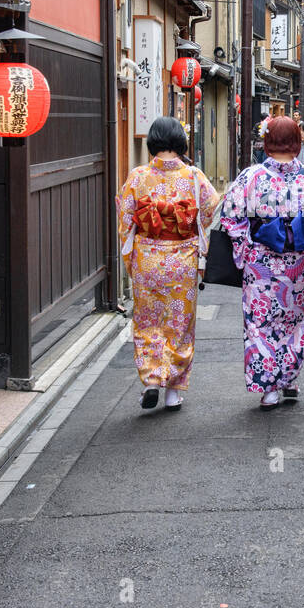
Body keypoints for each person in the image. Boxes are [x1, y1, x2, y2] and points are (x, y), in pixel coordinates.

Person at [219, 116, 304, 410]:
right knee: (295, 322)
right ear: (298, 144)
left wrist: (246, 249)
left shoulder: (250, 177)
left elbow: (230, 217)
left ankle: (269, 390)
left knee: (260, 324)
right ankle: (288, 377)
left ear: (267, 142)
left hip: (261, 267)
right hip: (299, 266)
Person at [116, 116, 220, 411]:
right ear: (180, 142)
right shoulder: (193, 176)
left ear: (153, 142)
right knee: (179, 323)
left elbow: (126, 222)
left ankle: (151, 379)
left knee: (148, 321)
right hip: (182, 259)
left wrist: (131, 261)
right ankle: (173, 390)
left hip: (148, 259)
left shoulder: (137, 177)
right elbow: (210, 210)